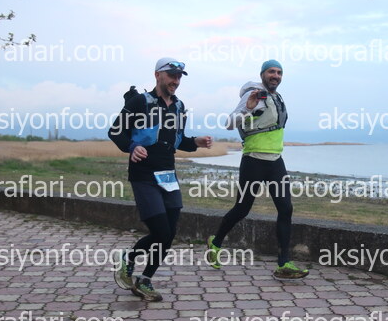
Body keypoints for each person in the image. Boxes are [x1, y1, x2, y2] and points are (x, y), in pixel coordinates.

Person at [109, 57, 212, 301]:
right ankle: (129, 259)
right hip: (144, 174)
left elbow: (177, 139)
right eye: (171, 75)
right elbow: (115, 131)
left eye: (179, 77)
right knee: (161, 230)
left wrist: (196, 142)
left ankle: (145, 280)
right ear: (157, 75)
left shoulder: (179, 107)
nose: (176, 80)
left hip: (168, 175)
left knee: (169, 233)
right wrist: (132, 147)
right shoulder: (139, 102)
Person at [206, 60, 308, 279]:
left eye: (279, 72)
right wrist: (249, 107)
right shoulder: (253, 95)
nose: (275, 75)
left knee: (286, 209)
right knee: (242, 209)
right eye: (271, 71)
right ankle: (215, 242)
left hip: (275, 161)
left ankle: (284, 263)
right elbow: (229, 123)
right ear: (262, 74)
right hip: (253, 160)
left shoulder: (277, 97)